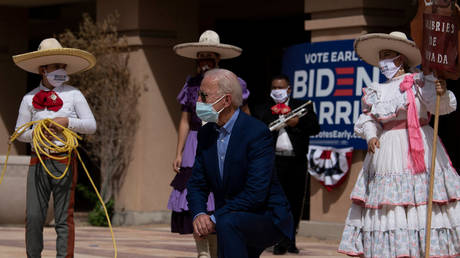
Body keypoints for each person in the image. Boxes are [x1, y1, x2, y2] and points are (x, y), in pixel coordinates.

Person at [338, 31, 460, 257]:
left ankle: (424, 249)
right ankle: (396, 250)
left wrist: (439, 90)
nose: (383, 61)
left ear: (400, 58)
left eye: (388, 55)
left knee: (421, 197)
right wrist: (371, 135)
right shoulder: (376, 90)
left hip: (419, 146)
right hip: (387, 150)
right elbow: (369, 118)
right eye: (381, 56)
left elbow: (439, 108)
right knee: (390, 204)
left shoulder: (419, 82)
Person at [187, 68, 294, 258]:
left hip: (266, 216)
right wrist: (199, 215)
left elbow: (256, 193)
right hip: (230, 215)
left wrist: (214, 218)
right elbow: (196, 183)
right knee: (227, 222)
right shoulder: (206, 134)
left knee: (226, 222)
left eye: (204, 96)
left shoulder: (256, 133)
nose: (198, 102)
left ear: (226, 100)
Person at [12, 38, 97, 258]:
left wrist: (67, 123)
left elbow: (91, 126)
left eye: (63, 66)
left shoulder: (74, 94)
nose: (60, 70)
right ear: (43, 70)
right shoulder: (29, 98)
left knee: (63, 217)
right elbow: (19, 133)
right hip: (38, 160)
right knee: (33, 216)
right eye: (55, 66)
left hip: (64, 159)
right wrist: (39, 131)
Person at [168, 30, 250, 257]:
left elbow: (244, 115)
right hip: (196, 143)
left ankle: (218, 251)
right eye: (200, 56)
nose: (204, 61)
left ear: (217, 59)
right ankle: (203, 252)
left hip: (222, 140)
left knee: (221, 199)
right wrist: (179, 152)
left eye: (209, 56)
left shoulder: (233, 83)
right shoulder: (192, 85)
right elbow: (185, 120)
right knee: (196, 199)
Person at [255, 74, 320, 255]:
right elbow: (258, 132)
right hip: (273, 161)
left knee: (295, 202)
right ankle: (278, 240)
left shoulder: (303, 106)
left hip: (296, 161)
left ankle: (290, 240)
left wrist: (296, 122)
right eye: (274, 88)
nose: (277, 91)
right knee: (276, 202)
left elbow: (315, 128)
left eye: (281, 87)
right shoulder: (264, 109)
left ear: (289, 89)